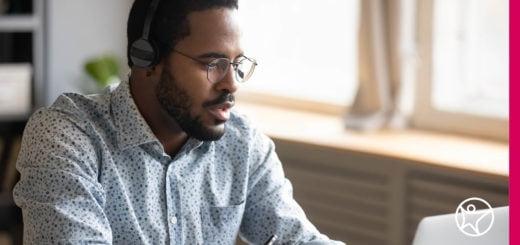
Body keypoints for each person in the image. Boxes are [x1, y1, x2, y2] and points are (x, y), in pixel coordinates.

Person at [13, 0, 345, 244]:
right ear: (147, 59)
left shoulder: (242, 145)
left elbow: (297, 238)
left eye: (237, 63)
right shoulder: (65, 137)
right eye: (213, 63)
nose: (232, 83)